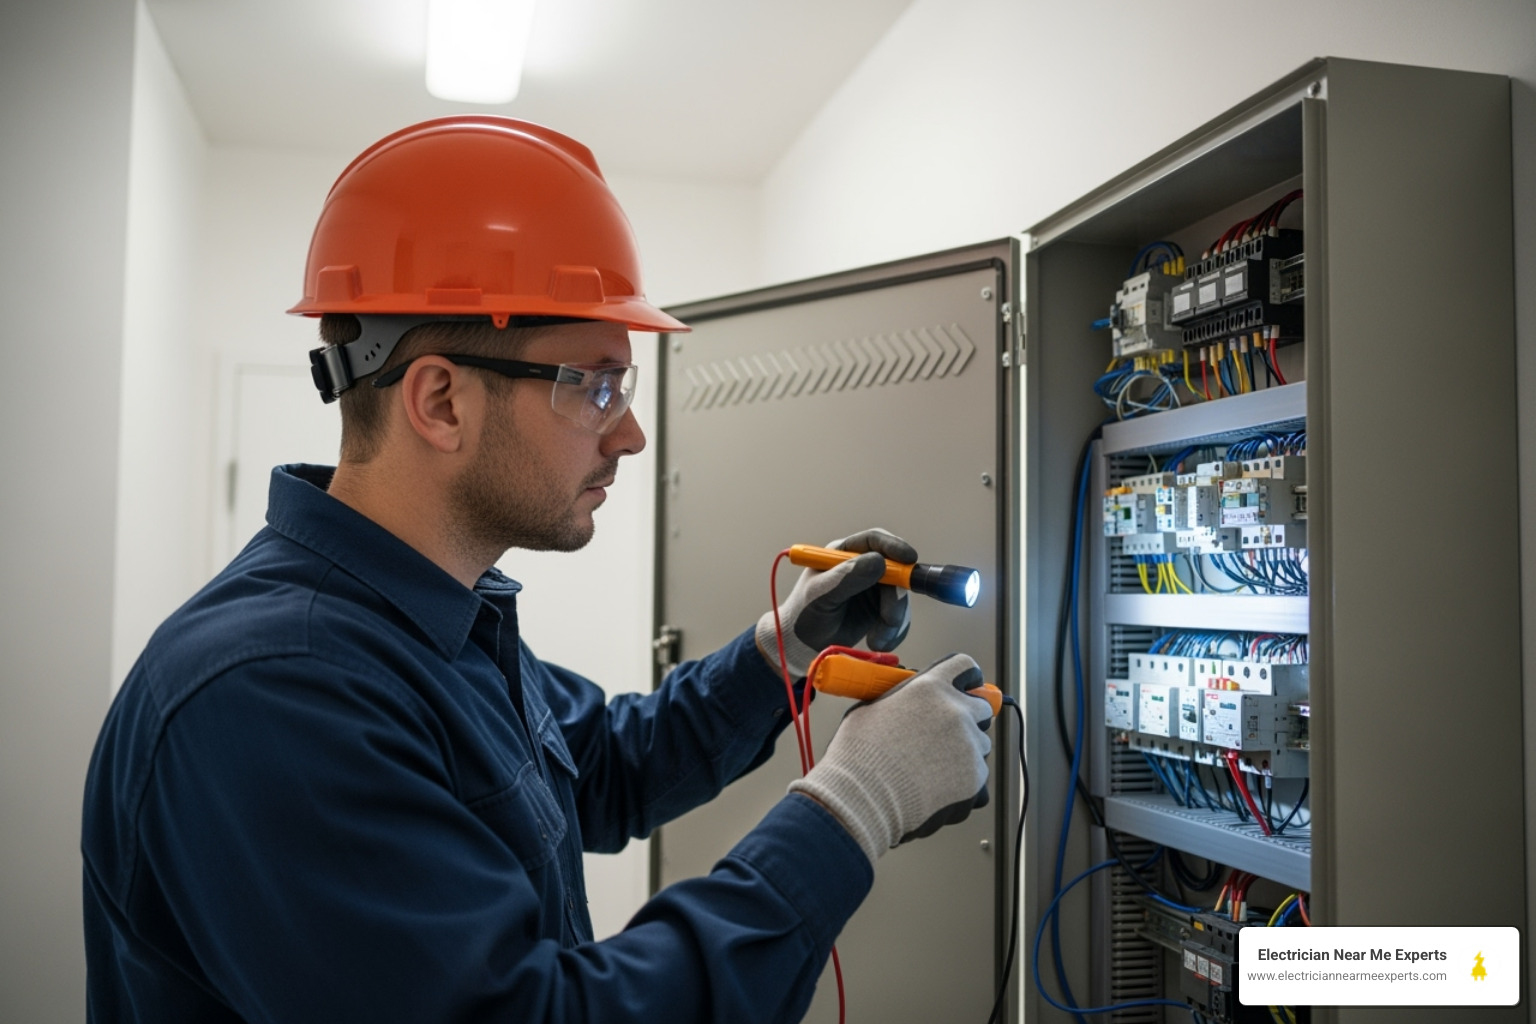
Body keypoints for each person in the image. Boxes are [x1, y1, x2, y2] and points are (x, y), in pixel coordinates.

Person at [81, 116, 993, 1023]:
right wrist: (855, 804)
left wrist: (781, 650)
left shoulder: (431, 619)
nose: (631, 432)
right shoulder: (276, 694)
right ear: (440, 400)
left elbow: (601, 767)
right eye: (593, 384)